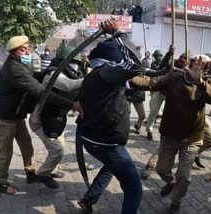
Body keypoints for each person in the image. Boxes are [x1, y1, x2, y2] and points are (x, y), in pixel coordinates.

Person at [0, 35, 78, 194]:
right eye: (23, 49)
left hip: (16, 115)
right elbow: (41, 91)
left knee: (26, 144)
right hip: (3, 117)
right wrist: (72, 104)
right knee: (5, 151)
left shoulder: (22, 64)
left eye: (27, 47)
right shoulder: (14, 69)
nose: (27, 51)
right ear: (13, 52)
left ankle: (31, 174)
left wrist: (50, 74)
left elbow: (35, 76)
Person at [131, 55, 211, 213]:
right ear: (189, 65)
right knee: (161, 170)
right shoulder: (174, 77)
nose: (200, 69)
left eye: (204, 67)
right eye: (197, 65)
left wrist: (200, 81)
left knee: (184, 177)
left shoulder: (208, 82)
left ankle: (176, 202)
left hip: (192, 138)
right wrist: (127, 75)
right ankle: (170, 182)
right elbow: (150, 83)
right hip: (170, 135)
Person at [76, 20, 143, 214]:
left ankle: (89, 199)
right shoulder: (107, 73)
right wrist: (119, 34)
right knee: (134, 188)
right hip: (107, 144)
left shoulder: (94, 75)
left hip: (93, 139)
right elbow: (136, 66)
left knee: (111, 167)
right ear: (112, 61)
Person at [29, 46, 84, 189]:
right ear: (63, 61)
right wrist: (92, 78)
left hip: (56, 119)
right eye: (73, 62)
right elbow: (68, 85)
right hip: (40, 119)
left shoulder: (73, 74)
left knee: (60, 146)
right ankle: (41, 174)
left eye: (78, 63)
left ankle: (51, 170)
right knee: (57, 150)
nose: (75, 66)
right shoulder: (53, 74)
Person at [146, 49, 165, 141]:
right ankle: (149, 131)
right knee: (153, 111)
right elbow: (154, 71)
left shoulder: (170, 64)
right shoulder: (155, 64)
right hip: (158, 90)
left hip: (168, 91)